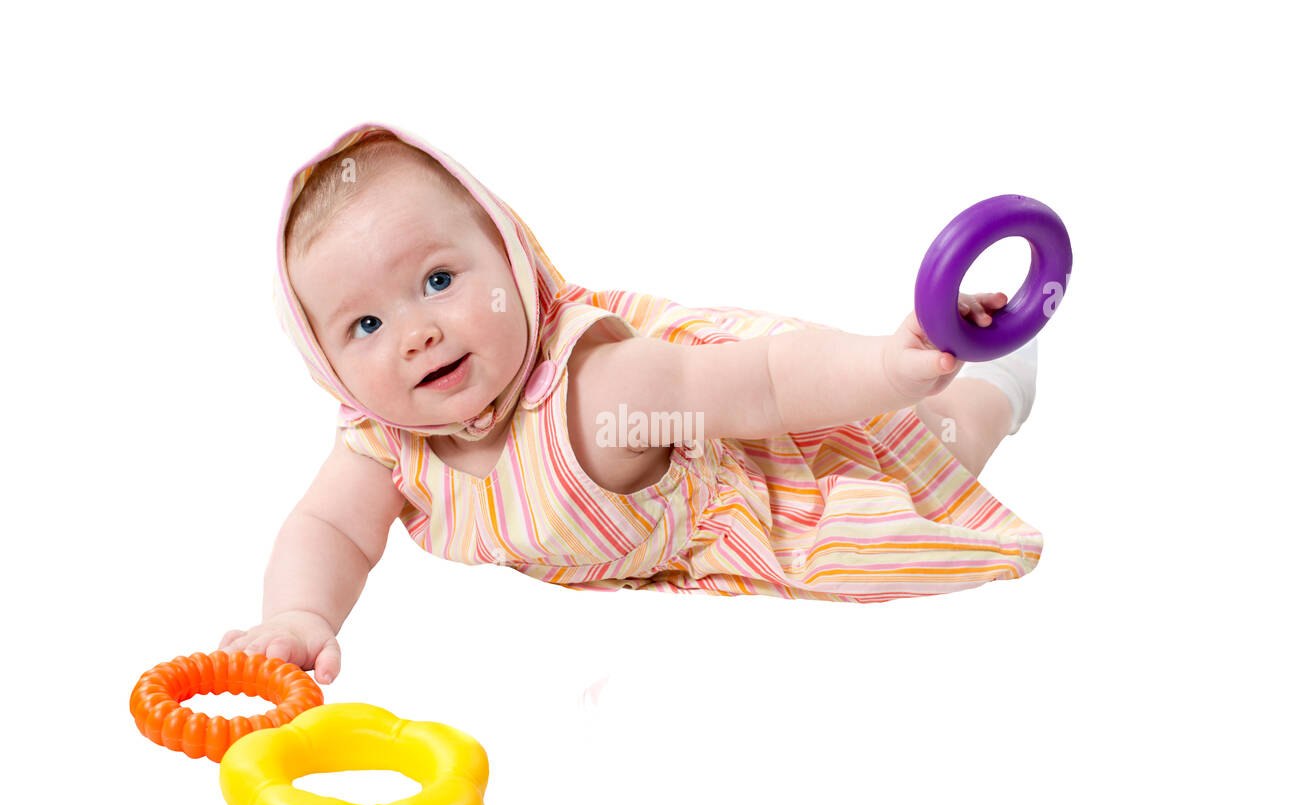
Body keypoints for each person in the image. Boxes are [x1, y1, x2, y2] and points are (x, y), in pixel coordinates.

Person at [219, 122, 1043, 684]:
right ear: (324, 364)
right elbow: (326, 530)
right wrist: (296, 614)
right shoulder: (387, 443)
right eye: (365, 323)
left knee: (937, 445)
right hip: (658, 554)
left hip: (765, 478)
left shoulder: (599, 391)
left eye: (439, 281)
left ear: (512, 260)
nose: (417, 334)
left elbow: (763, 386)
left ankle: (1000, 380)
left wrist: (889, 369)